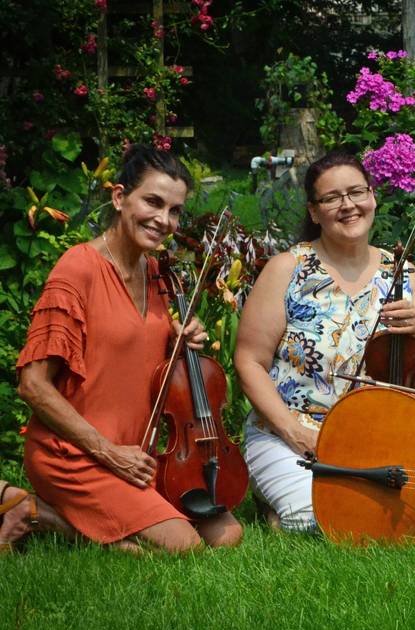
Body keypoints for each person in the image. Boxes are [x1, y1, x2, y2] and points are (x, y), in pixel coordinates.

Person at [2, 144, 242, 553]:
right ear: (118, 197)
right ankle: (34, 510)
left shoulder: (155, 273)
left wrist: (179, 342)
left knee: (226, 534)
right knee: (184, 545)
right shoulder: (78, 269)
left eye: (175, 210)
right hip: (77, 454)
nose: (164, 220)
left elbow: (136, 362)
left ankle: (92, 522)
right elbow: (33, 386)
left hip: (142, 456)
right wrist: (109, 452)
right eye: (152, 202)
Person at [234, 150, 415, 532]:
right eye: (332, 198)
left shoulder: (403, 273)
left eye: (356, 193)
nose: (348, 206)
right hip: (292, 435)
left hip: (374, 440)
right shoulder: (288, 268)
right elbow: (249, 361)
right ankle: (279, 501)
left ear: (372, 196)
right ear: (314, 212)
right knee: (330, 519)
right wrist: (295, 433)